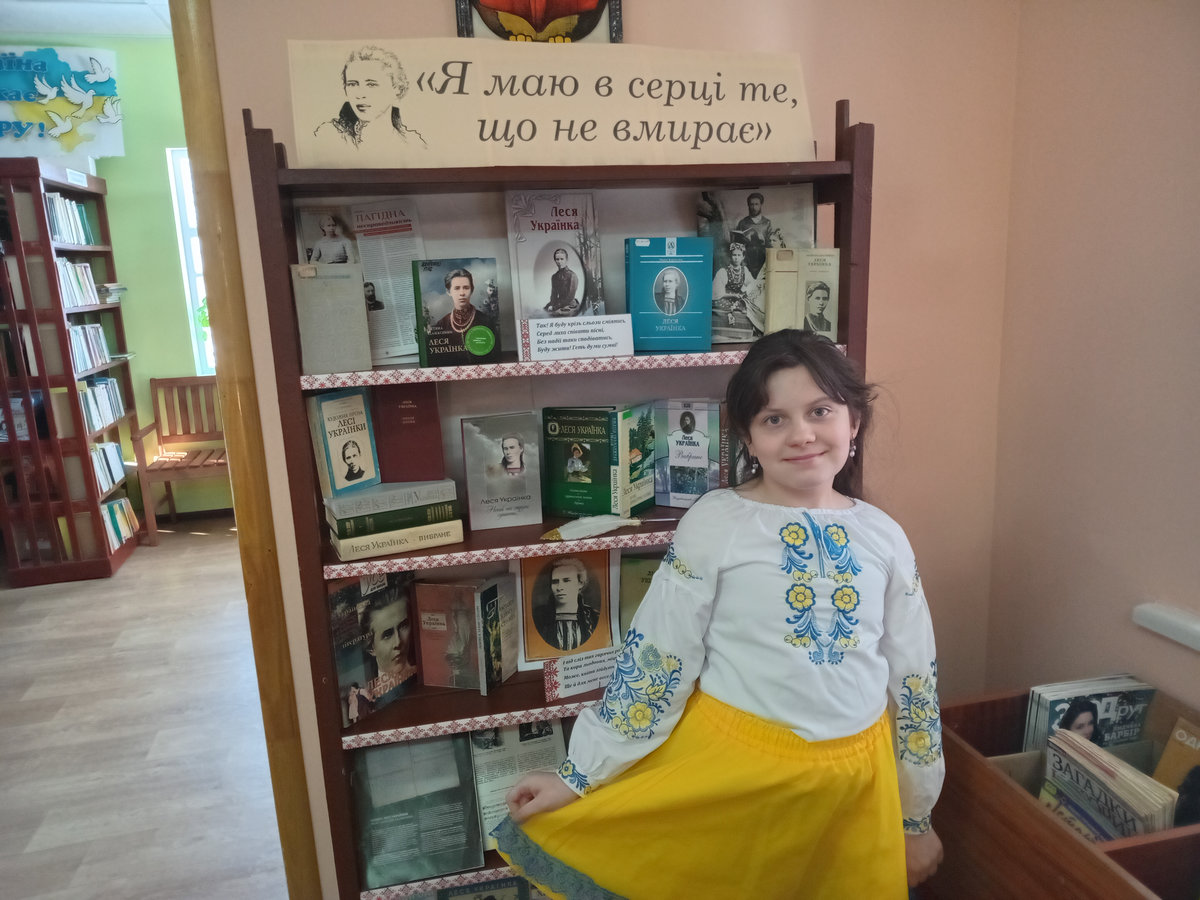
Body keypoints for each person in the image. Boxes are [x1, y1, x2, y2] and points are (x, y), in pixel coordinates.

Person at [496, 330, 944, 898]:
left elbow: (914, 681)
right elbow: (659, 657)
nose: (802, 434)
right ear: (747, 438)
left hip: (860, 789)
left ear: (853, 421)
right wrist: (579, 775)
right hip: (739, 780)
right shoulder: (717, 522)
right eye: (774, 419)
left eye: (820, 411)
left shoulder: (885, 536)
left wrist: (915, 816)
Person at [314, 45, 426, 149]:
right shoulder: (329, 136)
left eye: (371, 84)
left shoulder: (413, 144)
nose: (360, 94)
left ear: (396, 88)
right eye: (352, 84)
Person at [532, 557, 601, 651]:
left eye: (566, 580)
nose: (559, 587)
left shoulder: (594, 617)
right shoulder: (539, 617)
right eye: (555, 582)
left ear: (580, 583)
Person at [363, 590, 416, 690]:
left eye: (403, 626)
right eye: (387, 635)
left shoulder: (424, 673)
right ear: (371, 648)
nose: (398, 642)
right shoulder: (371, 695)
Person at [711, 239, 763, 339]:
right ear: (730, 256)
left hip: (738, 297)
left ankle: (747, 333)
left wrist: (747, 291)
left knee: (751, 308)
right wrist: (733, 295)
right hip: (725, 297)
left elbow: (752, 284)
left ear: (743, 257)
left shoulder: (745, 271)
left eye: (739, 255)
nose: (736, 258)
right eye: (734, 255)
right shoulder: (723, 271)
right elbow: (717, 292)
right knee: (727, 308)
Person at [434, 268, 491, 353]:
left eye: (466, 288)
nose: (462, 293)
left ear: (472, 290)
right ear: (448, 292)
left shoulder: (485, 321)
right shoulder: (442, 324)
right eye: (457, 288)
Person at [733, 191, 780, 278]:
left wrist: (763, 240)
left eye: (756, 204)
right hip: (747, 262)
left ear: (761, 205)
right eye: (751, 204)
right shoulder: (743, 223)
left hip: (763, 261)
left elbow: (771, 246)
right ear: (748, 205)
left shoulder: (767, 223)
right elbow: (736, 245)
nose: (754, 207)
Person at [545, 248, 581, 316]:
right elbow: (554, 295)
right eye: (557, 259)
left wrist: (555, 307)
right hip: (558, 303)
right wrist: (551, 304)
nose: (559, 262)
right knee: (542, 312)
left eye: (562, 259)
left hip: (569, 305)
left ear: (566, 260)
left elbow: (570, 297)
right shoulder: (554, 276)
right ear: (555, 261)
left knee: (556, 314)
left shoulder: (572, 275)